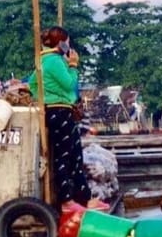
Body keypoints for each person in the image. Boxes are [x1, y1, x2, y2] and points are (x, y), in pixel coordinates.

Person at [28, 26, 110, 214]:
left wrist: (44, 97)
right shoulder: (55, 60)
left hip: (55, 110)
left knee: (74, 155)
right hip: (61, 111)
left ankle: (84, 198)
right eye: (68, 42)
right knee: (65, 156)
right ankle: (67, 200)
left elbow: (33, 83)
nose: (70, 46)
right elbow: (70, 85)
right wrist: (73, 66)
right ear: (62, 43)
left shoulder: (43, 60)